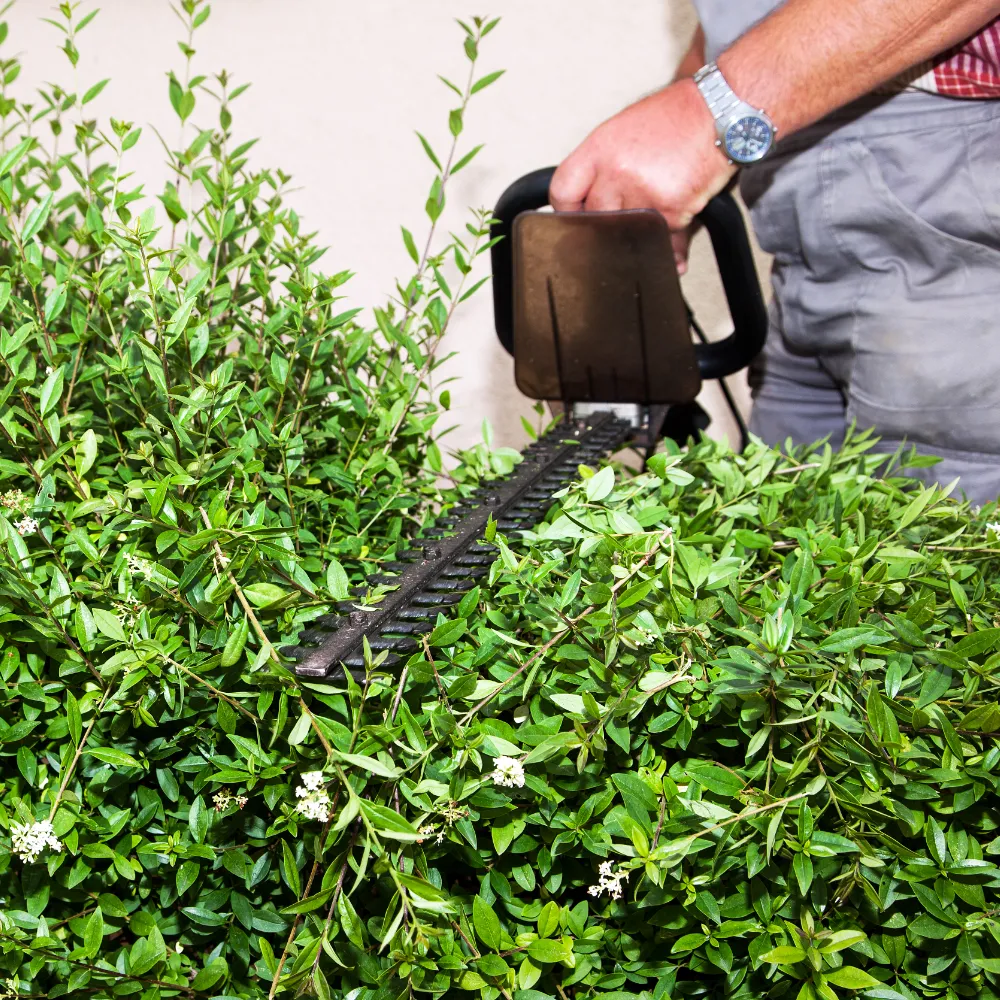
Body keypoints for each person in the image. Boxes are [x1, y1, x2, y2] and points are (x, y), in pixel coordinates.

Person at [551, 1, 1000, 504]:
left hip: (943, 195)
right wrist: (674, 156)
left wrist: (713, 112)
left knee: (948, 544)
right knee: (780, 537)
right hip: (798, 239)